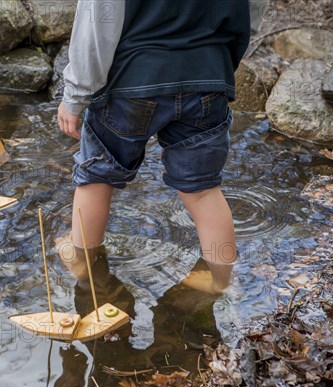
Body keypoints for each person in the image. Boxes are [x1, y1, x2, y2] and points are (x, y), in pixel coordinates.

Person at [56, 0, 251, 294]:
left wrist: (76, 93)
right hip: (208, 74)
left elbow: (97, 20)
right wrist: (221, 61)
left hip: (132, 78)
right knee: (203, 191)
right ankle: (220, 281)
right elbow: (251, 10)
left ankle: (84, 266)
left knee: (97, 177)